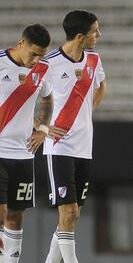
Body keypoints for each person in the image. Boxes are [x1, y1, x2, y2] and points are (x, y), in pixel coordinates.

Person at [43, 10, 107, 263]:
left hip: (84, 147)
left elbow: (102, 86)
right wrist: (43, 127)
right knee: (68, 212)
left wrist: (86, 111)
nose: (99, 35)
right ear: (80, 36)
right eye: (95, 31)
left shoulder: (93, 59)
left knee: (73, 214)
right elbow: (25, 100)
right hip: (59, 147)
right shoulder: (48, 64)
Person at [0, 24, 65, 262]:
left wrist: (43, 128)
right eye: (33, 54)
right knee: (1, 213)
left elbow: (47, 98)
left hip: (24, 153)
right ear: (20, 45)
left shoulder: (42, 69)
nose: (36, 59)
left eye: (42, 55)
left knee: (16, 217)